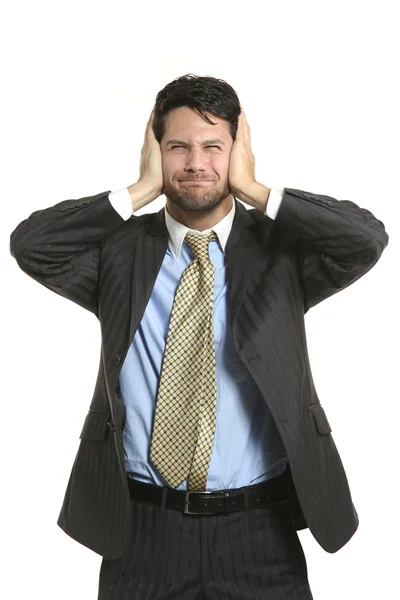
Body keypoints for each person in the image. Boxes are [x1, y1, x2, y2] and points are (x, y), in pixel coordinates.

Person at [9, 73, 389, 599]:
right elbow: (32, 245)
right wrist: (139, 190)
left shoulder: (280, 254)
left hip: (260, 531)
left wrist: (256, 190)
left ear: (238, 150)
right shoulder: (119, 255)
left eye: (214, 146)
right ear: (155, 151)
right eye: (177, 147)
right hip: (142, 532)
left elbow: (365, 239)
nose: (194, 163)